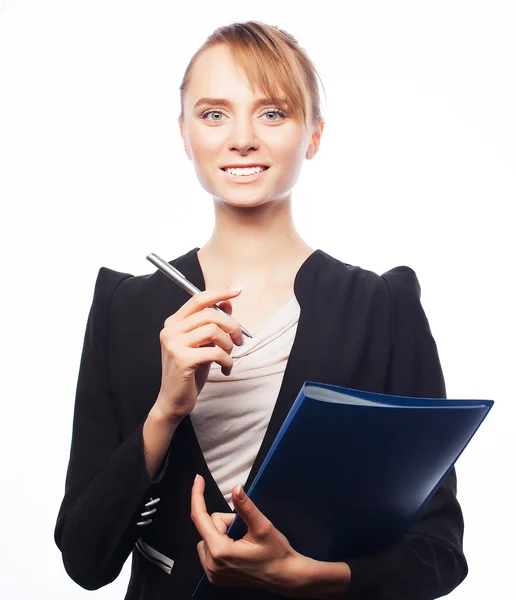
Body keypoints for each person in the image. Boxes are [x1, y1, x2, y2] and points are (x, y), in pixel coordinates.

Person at [54, 20, 468, 600]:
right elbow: (84, 559)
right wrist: (165, 412)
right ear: (184, 133)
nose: (241, 138)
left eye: (272, 113)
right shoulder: (126, 307)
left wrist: (315, 578)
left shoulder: (383, 307)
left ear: (314, 134)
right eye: (214, 113)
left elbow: (440, 551)